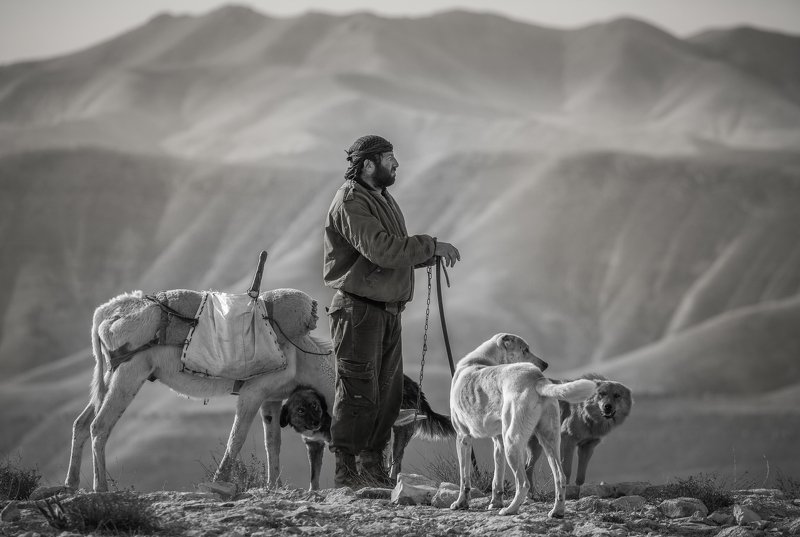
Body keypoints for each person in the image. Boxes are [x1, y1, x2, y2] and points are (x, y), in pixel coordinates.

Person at [323, 134, 460, 488]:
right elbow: (382, 251)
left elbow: (390, 256)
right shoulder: (351, 201)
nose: (396, 164)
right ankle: (347, 473)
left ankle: (372, 468)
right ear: (368, 164)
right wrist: (429, 244)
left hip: (385, 311)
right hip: (358, 312)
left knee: (386, 396)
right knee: (357, 393)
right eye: (389, 158)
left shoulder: (380, 197)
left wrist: (426, 257)